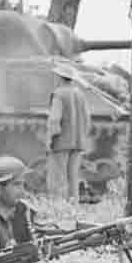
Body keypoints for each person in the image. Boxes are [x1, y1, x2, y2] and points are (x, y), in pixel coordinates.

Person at [46, 63, 91, 204]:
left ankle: (58, 207)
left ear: (60, 78)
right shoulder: (80, 94)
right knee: (73, 178)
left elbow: (54, 119)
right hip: (78, 143)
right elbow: (87, 120)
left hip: (60, 142)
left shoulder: (59, 94)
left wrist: (49, 139)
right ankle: (73, 207)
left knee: (58, 178)